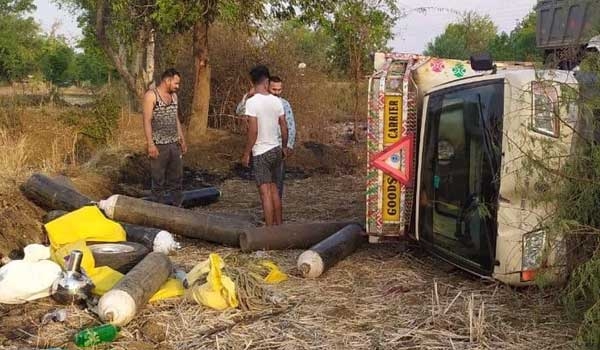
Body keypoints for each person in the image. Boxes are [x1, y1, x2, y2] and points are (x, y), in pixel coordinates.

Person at [242, 65, 289, 226]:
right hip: (276, 150)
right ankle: (279, 226)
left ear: (253, 82)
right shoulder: (277, 101)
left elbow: (253, 131)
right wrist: (284, 146)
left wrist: (247, 152)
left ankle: (269, 232)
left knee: (265, 193)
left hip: (261, 152)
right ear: (267, 81)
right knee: (275, 190)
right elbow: (284, 126)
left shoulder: (252, 102)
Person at [142, 68, 187, 206]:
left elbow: (175, 118)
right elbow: (147, 120)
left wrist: (182, 138)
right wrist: (151, 144)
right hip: (159, 145)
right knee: (158, 181)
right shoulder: (151, 96)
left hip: (174, 144)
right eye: (176, 83)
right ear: (167, 80)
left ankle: (177, 209)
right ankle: (157, 212)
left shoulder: (174, 97)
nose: (177, 87)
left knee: (177, 179)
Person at [268, 76, 296, 198]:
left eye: (279, 90)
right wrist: (249, 95)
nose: (277, 93)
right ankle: (268, 213)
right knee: (265, 184)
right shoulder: (258, 102)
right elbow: (239, 110)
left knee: (277, 183)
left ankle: (275, 214)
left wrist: (289, 145)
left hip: (279, 147)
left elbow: (291, 125)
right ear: (267, 87)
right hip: (262, 148)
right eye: (274, 89)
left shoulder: (284, 104)